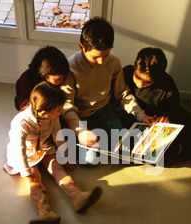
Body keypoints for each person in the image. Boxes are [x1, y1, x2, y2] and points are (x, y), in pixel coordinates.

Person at [4, 82, 103, 224]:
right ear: (44, 112)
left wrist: (65, 154)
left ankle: (77, 196)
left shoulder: (52, 116)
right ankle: (45, 211)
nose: (61, 111)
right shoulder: (21, 124)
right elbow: (20, 151)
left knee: (57, 168)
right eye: (58, 109)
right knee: (35, 180)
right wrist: (26, 173)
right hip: (25, 154)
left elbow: (57, 134)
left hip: (44, 146)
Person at [60, 17, 153, 164]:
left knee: (127, 146)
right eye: (96, 57)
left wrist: (141, 115)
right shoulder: (70, 68)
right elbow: (67, 107)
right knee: (89, 161)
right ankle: (91, 141)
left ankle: (103, 139)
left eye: (106, 55)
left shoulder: (114, 62)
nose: (101, 62)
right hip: (82, 116)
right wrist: (80, 131)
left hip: (106, 111)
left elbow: (123, 94)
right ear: (81, 47)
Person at [123, 47, 191, 165]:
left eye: (148, 82)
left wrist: (167, 117)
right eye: (137, 77)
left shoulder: (167, 84)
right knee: (151, 154)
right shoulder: (125, 73)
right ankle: (190, 149)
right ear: (134, 67)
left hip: (160, 124)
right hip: (139, 122)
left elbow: (174, 111)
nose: (140, 84)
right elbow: (121, 99)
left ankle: (180, 147)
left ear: (158, 78)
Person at [14, 46, 70, 112]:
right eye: (58, 79)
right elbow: (25, 110)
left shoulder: (54, 80)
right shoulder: (26, 82)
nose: (62, 81)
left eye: (64, 77)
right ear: (45, 76)